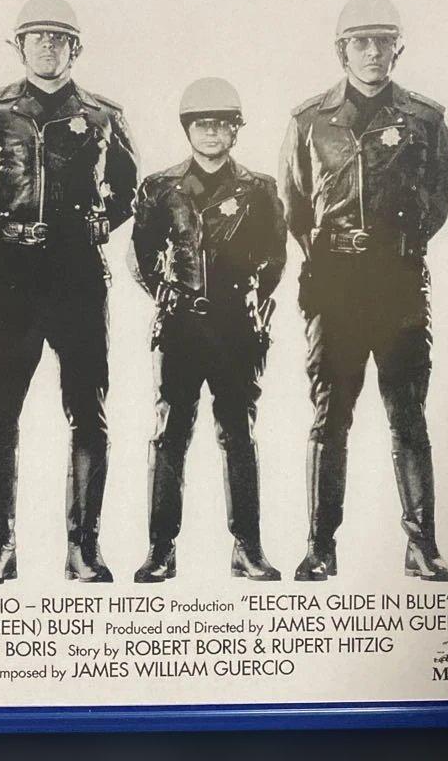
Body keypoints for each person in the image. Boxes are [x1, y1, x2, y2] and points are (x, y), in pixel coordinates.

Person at [279, 0, 448, 583]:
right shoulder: (308, 121)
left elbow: (438, 200)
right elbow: (293, 207)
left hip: (398, 284)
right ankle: (319, 547)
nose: (373, 52)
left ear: (397, 49)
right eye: (361, 42)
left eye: (383, 41)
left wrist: (393, 244)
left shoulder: (426, 120)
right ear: (342, 50)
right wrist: (331, 257)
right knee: (330, 417)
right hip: (335, 286)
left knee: (408, 415)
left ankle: (422, 545)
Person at [0, 0, 138, 584]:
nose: (46, 46)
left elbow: (127, 189)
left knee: (88, 410)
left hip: (76, 274)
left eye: (58, 38)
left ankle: (83, 548)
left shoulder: (104, 115)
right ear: (19, 46)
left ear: (74, 48)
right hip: (9, 275)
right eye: (36, 37)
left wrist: (97, 224)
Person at [129, 78, 286, 582]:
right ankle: (160, 549)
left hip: (235, 326)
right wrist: (167, 295)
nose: (212, 133)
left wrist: (251, 299)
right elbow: (141, 254)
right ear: (188, 129)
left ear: (236, 130)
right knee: (169, 433)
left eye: (222, 124)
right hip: (180, 326)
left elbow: (275, 256)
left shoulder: (259, 189)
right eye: (202, 124)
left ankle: (248, 547)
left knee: (239, 433)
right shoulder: (160, 187)